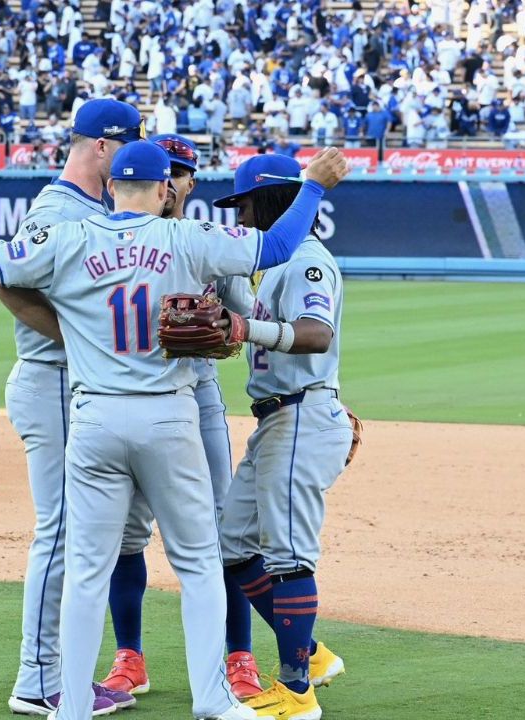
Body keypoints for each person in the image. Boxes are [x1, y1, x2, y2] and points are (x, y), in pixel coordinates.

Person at [0, 141, 349, 720]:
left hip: (94, 419)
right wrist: (313, 186)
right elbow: (281, 244)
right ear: (165, 191)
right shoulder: (188, 236)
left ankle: (73, 706)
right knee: (200, 562)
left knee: (86, 569)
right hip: (167, 416)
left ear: (111, 188)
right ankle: (213, 699)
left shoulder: (70, 238)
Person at [0, 99, 145, 717]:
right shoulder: (58, 209)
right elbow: (6, 283)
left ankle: (59, 671)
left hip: (69, 383)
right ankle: (39, 679)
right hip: (52, 380)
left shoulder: (88, 208)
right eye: (126, 149)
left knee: (79, 531)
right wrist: (84, 337)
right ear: (100, 147)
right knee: (60, 530)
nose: (131, 162)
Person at [98, 134, 263, 701]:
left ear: (188, 183)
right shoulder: (111, 235)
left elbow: (248, 316)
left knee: (223, 530)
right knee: (124, 533)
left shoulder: (208, 243)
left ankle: (239, 657)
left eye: (180, 171)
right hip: (126, 398)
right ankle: (129, 658)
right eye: (163, 169)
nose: (170, 180)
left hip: (198, 394)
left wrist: (224, 322)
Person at [213, 154, 353, 720]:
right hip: (277, 419)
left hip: (301, 415)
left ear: (271, 199)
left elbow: (317, 335)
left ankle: (298, 695)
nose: (240, 216)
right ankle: (312, 655)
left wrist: (248, 326)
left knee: (288, 557)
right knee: (231, 544)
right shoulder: (273, 265)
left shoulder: (309, 262)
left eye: (244, 203)